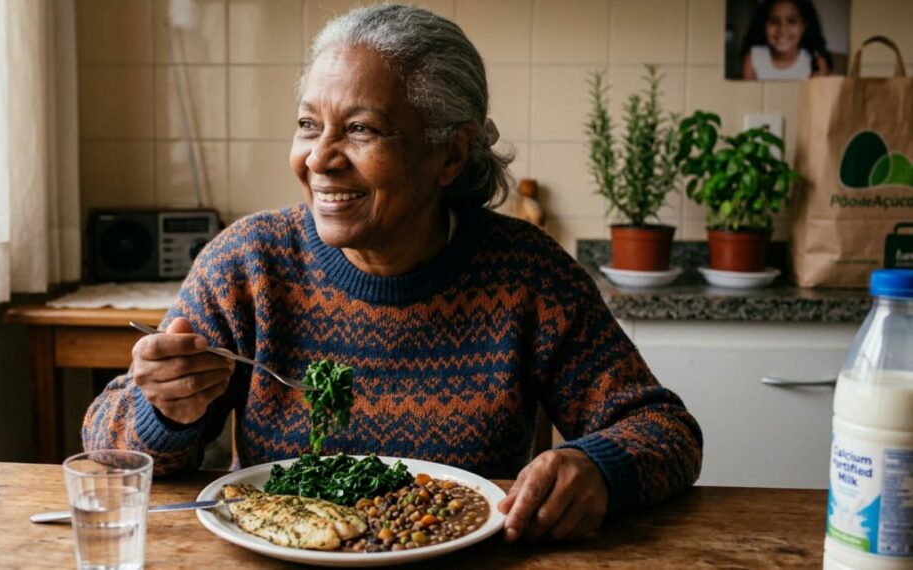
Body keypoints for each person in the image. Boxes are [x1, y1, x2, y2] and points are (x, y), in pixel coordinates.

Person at [83, 3, 702, 543]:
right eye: (308, 125)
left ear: (450, 155)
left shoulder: (528, 275)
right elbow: (106, 444)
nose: (320, 159)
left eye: (360, 130)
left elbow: (666, 430)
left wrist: (597, 468)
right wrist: (164, 410)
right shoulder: (247, 265)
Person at [741, 0, 832, 80]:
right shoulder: (753, 59)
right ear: (764, 26)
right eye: (774, 21)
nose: (782, 30)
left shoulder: (816, 62)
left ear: (804, 27)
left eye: (792, 21)